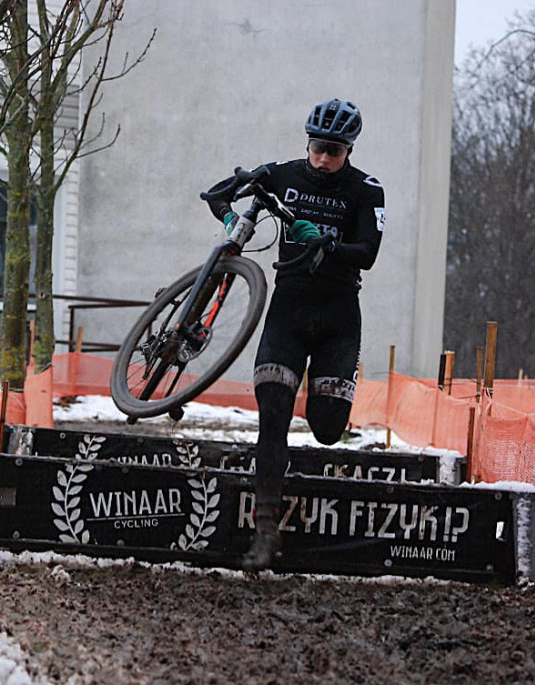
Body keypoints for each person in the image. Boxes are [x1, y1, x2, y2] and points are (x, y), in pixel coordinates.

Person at [205, 98, 385, 571]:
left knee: (326, 429)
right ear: (307, 142)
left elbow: (367, 252)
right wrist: (228, 216)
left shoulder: (366, 190)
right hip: (288, 309)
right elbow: (220, 192)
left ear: (348, 150)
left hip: (338, 316)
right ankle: (265, 532)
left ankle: (328, 395)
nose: (323, 159)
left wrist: (328, 245)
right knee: (273, 415)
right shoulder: (282, 175)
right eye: (317, 148)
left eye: (333, 151)